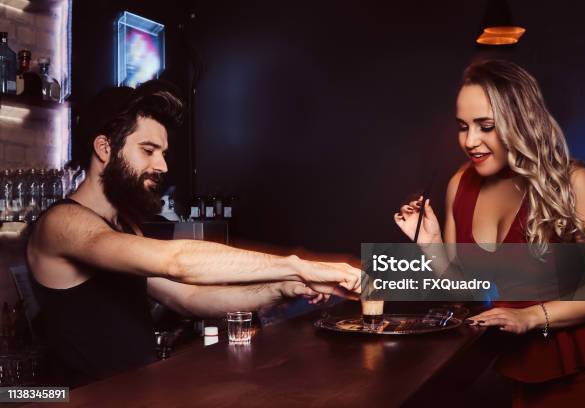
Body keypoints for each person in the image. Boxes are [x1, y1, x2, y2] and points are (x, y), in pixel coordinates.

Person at [26, 80, 361, 387]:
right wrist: (297, 264)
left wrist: (284, 287)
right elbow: (178, 261)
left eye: (163, 153)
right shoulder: (62, 224)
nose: (162, 166)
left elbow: (189, 297)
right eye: (148, 150)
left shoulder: (125, 225)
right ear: (104, 148)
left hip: (136, 395)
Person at [394, 60, 585, 407]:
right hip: (519, 372)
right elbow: (465, 293)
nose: (470, 140)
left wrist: (531, 316)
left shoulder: (575, 183)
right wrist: (431, 243)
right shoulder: (459, 184)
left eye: (486, 126)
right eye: (463, 127)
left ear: (520, 122)